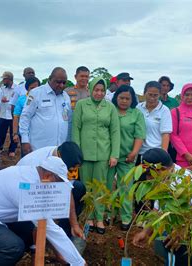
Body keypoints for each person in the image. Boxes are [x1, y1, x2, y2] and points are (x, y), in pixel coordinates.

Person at [0, 156, 86, 265]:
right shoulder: (24, 185)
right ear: (49, 176)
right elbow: (50, 228)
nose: (57, 187)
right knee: (13, 247)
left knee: (27, 233)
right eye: (58, 183)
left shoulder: (32, 175)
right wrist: (78, 262)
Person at [132, 148, 192, 266]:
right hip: (187, 226)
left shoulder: (182, 181)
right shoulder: (166, 179)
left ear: (162, 169)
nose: (148, 179)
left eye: (150, 175)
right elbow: (158, 211)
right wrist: (145, 232)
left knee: (171, 242)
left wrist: (182, 231)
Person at [72, 77, 120, 234]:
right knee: (86, 187)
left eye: (102, 90)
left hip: (103, 153)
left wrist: (114, 154)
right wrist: (76, 153)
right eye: (96, 90)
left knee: (100, 187)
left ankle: (99, 218)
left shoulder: (110, 107)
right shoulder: (81, 105)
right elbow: (76, 129)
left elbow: (115, 132)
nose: (99, 93)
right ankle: (88, 217)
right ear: (90, 90)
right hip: (84, 153)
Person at [17, 142, 85, 239]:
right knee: (27, 238)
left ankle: (65, 233)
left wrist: (74, 225)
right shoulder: (33, 164)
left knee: (78, 188)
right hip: (22, 195)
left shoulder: (64, 157)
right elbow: (26, 196)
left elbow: (67, 191)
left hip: (45, 188)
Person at [108, 85, 146, 230]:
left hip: (127, 157)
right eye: (121, 98)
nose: (124, 101)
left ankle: (125, 218)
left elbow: (139, 135)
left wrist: (134, 152)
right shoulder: (110, 111)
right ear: (116, 97)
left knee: (125, 187)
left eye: (127, 98)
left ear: (132, 100)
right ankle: (106, 215)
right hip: (109, 156)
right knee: (107, 185)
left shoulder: (136, 114)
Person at [19, 67, 72, 155]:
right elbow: (25, 116)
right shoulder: (36, 93)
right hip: (39, 147)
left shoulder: (66, 96)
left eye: (64, 82)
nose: (61, 85)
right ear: (50, 79)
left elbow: (68, 119)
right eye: (58, 82)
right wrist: (25, 140)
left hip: (59, 148)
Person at [137, 81, 173, 161]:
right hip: (139, 152)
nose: (152, 98)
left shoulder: (164, 110)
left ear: (160, 95)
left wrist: (163, 155)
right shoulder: (138, 108)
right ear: (144, 93)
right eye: (150, 94)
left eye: (155, 95)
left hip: (156, 154)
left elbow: (165, 134)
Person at [12, 77, 40, 157]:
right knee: (26, 155)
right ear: (27, 88)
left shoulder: (43, 99)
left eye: (37, 88)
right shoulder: (22, 99)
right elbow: (16, 117)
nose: (34, 90)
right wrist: (15, 133)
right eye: (32, 88)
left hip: (39, 133)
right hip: (25, 133)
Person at [0, 71, 17, 156]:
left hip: (13, 114)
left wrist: (8, 101)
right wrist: (1, 100)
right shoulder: (2, 88)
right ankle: (0, 147)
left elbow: (17, 101)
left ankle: (12, 150)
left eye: (5, 79)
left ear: (9, 79)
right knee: (1, 132)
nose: (3, 81)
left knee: (13, 132)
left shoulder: (17, 88)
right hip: (3, 114)